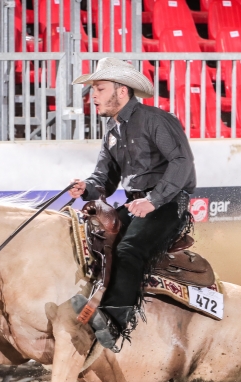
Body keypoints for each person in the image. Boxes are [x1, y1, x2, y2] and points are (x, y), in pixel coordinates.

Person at [69, 57, 197, 352]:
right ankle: (93, 307)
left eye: (99, 88)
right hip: (137, 203)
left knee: (128, 250)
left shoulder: (155, 120)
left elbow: (182, 163)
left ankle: (114, 323)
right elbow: (105, 178)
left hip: (167, 203)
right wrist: (87, 187)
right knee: (92, 242)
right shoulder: (112, 132)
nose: (93, 96)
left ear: (122, 90)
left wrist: (154, 200)